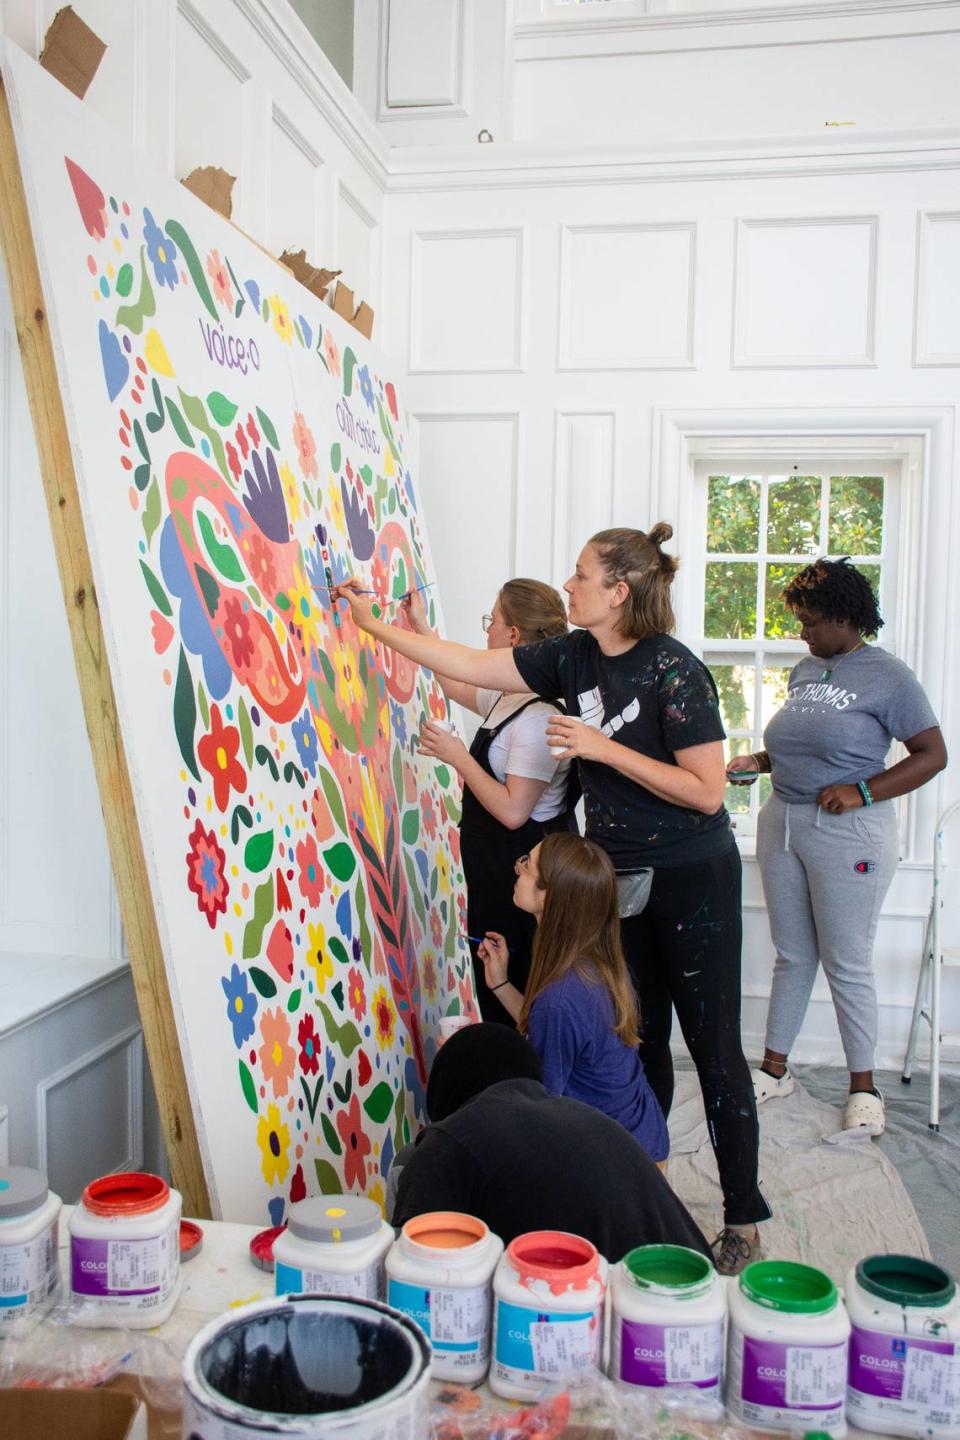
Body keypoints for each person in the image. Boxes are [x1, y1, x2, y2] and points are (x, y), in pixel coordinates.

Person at [334, 524, 769, 1274]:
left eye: (580, 575)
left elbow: (704, 792)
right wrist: (375, 626)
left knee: (714, 1046)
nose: (568, 588)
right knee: (640, 1039)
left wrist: (603, 749)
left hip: (694, 878)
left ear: (618, 591)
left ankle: (743, 1217)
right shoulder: (569, 658)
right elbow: (471, 664)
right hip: (615, 882)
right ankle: (643, 1185)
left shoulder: (675, 672)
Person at [728, 558, 947, 1136]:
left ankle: (863, 1087)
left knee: (847, 962)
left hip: (850, 832)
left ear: (847, 618)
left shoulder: (889, 676)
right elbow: (802, 746)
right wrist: (759, 762)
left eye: (810, 622)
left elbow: (932, 754)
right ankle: (775, 1069)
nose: (802, 632)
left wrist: (864, 790)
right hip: (785, 824)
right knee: (793, 954)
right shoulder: (808, 670)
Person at [391, 1023, 711, 1263]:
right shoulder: (583, 1117)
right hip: (701, 1294)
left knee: (406, 1165)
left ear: (448, 1093)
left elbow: (414, 1272)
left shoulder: (452, 1138)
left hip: (633, 1328)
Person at [409, 580, 575, 1020]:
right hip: (493, 874)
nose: (487, 634)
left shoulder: (540, 715)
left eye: (492, 622)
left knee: (516, 982)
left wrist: (457, 758)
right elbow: (455, 681)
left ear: (513, 636)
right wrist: (419, 626)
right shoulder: (507, 696)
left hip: (522, 878)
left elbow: (513, 811)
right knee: (494, 977)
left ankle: (523, 1085)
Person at [477, 832, 668, 1163]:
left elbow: (543, 1103)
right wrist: (501, 984)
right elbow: (554, 1029)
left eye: (527, 866)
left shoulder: (563, 996)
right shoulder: (592, 957)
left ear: (549, 897)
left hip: (620, 1166)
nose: (517, 868)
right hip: (641, 1139)